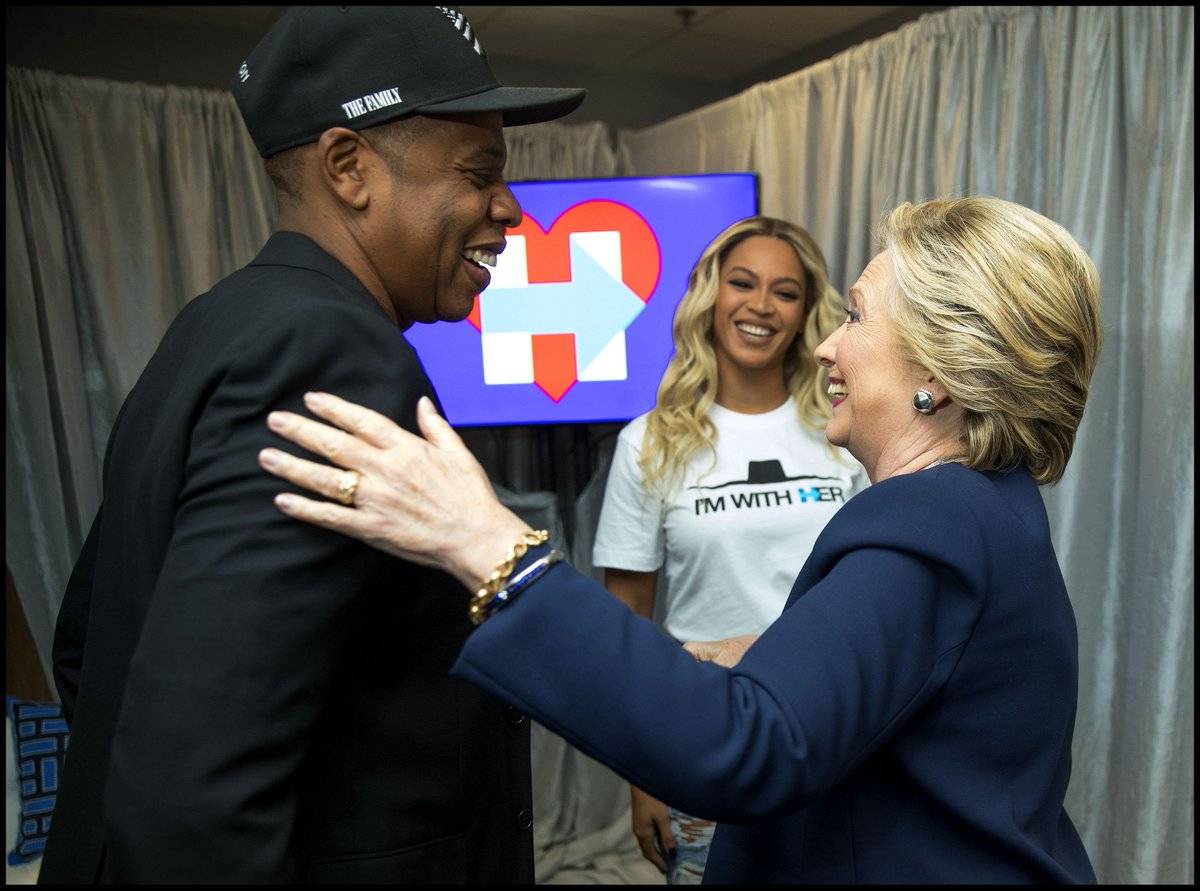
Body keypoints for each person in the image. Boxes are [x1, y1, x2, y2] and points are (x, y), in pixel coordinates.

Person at [257, 195, 1102, 883]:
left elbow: (750, 748)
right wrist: (778, 652)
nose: (828, 345)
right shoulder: (987, 503)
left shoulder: (930, 519)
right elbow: (919, 676)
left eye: (854, 316)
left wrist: (490, 546)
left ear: (938, 372)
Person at [39, 6, 584, 884]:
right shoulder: (328, 354)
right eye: (479, 173)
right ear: (348, 167)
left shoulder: (217, 323)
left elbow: (88, 648)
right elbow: (192, 794)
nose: (510, 209)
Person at [592, 216, 865, 881]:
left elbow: (873, 598)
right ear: (709, 297)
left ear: (806, 313)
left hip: (833, 733)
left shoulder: (846, 432)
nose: (761, 305)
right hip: (705, 736)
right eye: (742, 283)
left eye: (785, 291)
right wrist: (641, 775)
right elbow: (626, 626)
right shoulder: (649, 443)